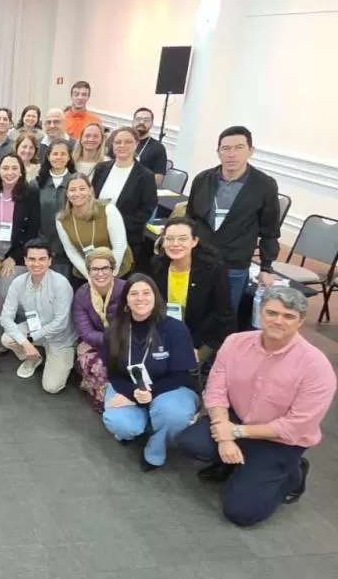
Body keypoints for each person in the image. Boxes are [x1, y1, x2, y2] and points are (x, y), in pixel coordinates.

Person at [177, 288, 336, 526]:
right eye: (271, 312)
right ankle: (233, 463)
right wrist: (224, 435)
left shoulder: (316, 367)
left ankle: (292, 473)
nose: (278, 321)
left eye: (288, 316)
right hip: (235, 419)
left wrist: (236, 432)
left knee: (241, 513)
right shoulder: (235, 342)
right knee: (191, 443)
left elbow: (296, 425)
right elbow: (216, 390)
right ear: (260, 313)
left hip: (280, 440)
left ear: (301, 320)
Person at [101, 274, 199, 470]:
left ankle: (155, 450)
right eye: (134, 294)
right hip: (130, 386)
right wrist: (132, 394)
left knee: (175, 415)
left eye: (146, 293)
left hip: (171, 388)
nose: (140, 298)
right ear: (126, 301)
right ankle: (144, 423)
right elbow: (113, 374)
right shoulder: (114, 330)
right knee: (119, 423)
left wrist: (148, 393)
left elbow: (181, 375)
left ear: (156, 297)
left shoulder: (175, 329)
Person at [184, 125, 280, 311]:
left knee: (225, 314)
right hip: (200, 259)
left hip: (234, 263)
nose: (231, 154)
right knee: (194, 309)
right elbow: (190, 218)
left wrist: (266, 268)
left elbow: (270, 230)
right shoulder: (203, 179)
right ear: (218, 152)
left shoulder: (264, 185)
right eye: (226, 148)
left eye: (239, 147)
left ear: (251, 151)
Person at [152, 217, 236, 368]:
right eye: (169, 239)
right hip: (162, 333)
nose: (175, 244)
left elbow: (223, 315)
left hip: (199, 338)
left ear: (194, 241)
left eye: (182, 239)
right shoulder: (157, 266)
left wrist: (199, 349)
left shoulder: (213, 271)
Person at [0, 153, 40, 342]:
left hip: (17, 249)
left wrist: (13, 257)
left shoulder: (30, 194)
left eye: (14, 168)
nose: (9, 172)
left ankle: (3, 338)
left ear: (21, 172)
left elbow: (32, 231)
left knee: (4, 294)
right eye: (5, 168)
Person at [0, 239, 76, 392]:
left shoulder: (61, 284)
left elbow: (60, 323)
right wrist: (25, 342)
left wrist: (29, 339)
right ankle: (34, 358)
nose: (36, 264)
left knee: (51, 387)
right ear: (25, 261)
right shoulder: (18, 283)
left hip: (60, 338)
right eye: (32, 259)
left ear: (49, 261)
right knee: (6, 338)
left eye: (42, 259)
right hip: (35, 328)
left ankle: (64, 356)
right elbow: (5, 318)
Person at [92, 126, 158, 274]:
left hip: (127, 239)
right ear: (112, 145)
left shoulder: (145, 176)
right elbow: (92, 198)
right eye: (118, 142)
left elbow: (146, 210)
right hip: (97, 236)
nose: (122, 146)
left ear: (136, 144)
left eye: (127, 142)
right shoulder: (101, 168)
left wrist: (115, 227)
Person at [72, 248, 125, 412]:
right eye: (95, 269)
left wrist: (116, 342)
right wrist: (106, 341)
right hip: (95, 342)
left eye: (105, 268)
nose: (100, 273)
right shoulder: (82, 294)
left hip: (126, 342)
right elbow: (85, 330)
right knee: (98, 365)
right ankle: (100, 400)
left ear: (113, 270)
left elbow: (131, 326)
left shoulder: (127, 289)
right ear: (88, 271)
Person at [56, 173, 132, 282]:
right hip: (85, 273)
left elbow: (120, 245)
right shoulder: (61, 219)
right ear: (67, 193)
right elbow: (71, 251)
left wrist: (109, 274)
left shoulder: (108, 210)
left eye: (82, 188)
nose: (77, 193)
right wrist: (90, 277)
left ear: (90, 190)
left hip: (117, 270)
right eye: (72, 190)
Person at [36, 141, 75, 277]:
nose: (59, 157)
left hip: (66, 251)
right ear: (48, 156)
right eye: (55, 154)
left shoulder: (76, 182)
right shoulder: (37, 182)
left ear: (69, 157)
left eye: (63, 154)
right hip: (40, 248)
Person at [131, 107, 167, 185]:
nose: (141, 122)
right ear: (133, 121)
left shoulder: (158, 148)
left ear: (152, 124)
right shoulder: (122, 141)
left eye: (146, 120)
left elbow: (158, 180)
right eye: (138, 119)